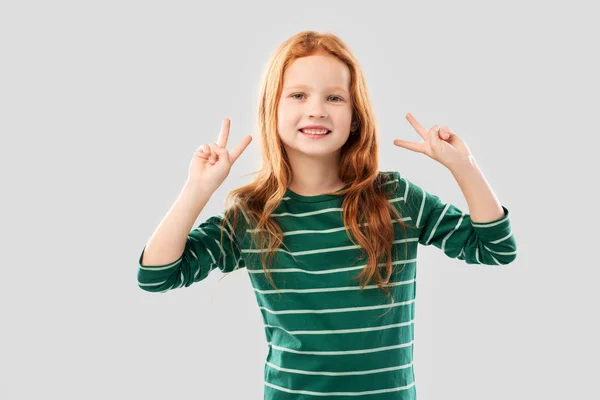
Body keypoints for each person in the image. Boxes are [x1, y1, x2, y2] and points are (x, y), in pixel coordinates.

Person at [137, 30, 517, 399]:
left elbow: (496, 248)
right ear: (273, 109)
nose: (316, 109)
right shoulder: (252, 216)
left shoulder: (395, 198)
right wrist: (198, 189)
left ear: (355, 116)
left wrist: (464, 166)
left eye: (334, 97)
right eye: (298, 95)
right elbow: (156, 275)